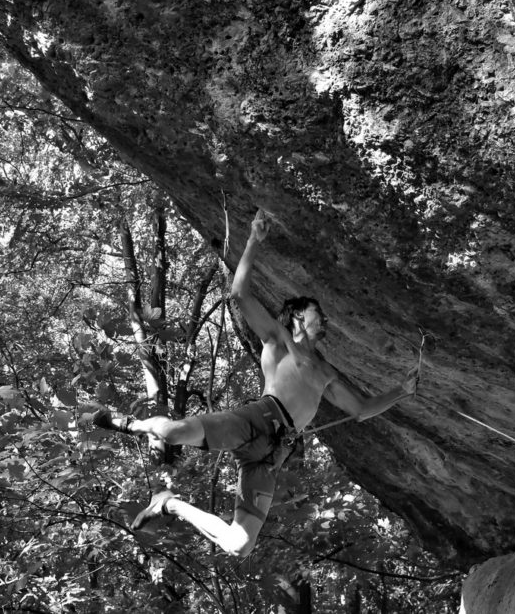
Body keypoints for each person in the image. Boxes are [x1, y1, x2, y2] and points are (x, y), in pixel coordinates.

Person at [93, 209, 417, 557]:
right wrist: (252, 241)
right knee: (172, 433)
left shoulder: (325, 372)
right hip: (257, 419)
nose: (324, 319)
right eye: (316, 313)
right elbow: (239, 295)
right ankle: (133, 425)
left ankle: (167, 504)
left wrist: (402, 390)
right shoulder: (278, 340)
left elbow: (363, 410)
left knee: (240, 546)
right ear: (296, 316)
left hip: (273, 454)